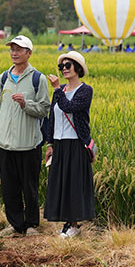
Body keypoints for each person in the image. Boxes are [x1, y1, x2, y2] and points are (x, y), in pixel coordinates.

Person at [0, 35, 50, 237]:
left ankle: (31, 224)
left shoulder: (37, 79)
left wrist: (26, 104)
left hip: (29, 144)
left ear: (29, 53)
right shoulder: (3, 78)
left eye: (19, 49)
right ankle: (16, 224)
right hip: (5, 143)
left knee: (29, 187)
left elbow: (44, 109)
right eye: (12, 49)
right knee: (9, 187)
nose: (14, 53)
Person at [44, 51, 94, 238]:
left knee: (74, 184)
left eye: (68, 66)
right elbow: (52, 117)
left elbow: (70, 107)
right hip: (60, 143)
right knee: (61, 183)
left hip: (76, 143)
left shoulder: (85, 90)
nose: (64, 69)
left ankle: (75, 225)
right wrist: (50, 144)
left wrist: (57, 89)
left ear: (78, 68)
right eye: (61, 66)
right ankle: (67, 224)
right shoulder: (61, 90)